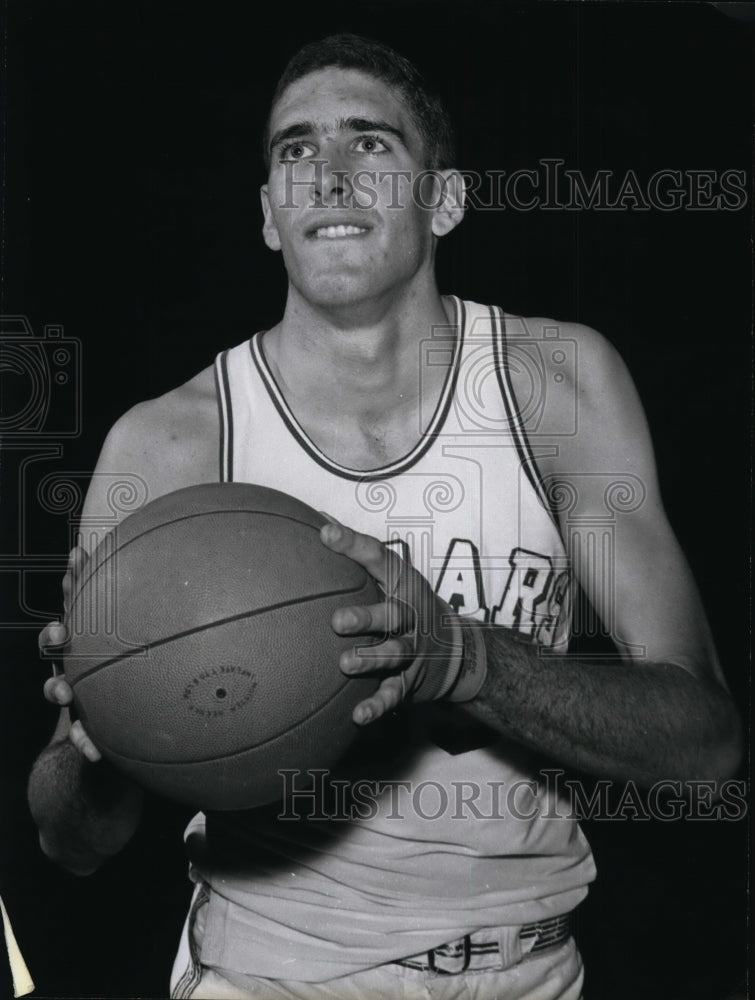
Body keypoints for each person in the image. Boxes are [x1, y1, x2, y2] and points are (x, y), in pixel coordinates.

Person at [27, 33, 741, 1000]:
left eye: (368, 144)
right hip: (271, 973)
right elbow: (75, 842)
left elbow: (702, 751)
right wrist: (99, 742)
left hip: (531, 968)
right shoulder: (169, 447)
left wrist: (461, 658)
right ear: (270, 218)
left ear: (444, 198)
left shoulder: (555, 384)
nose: (324, 175)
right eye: (293, 151)